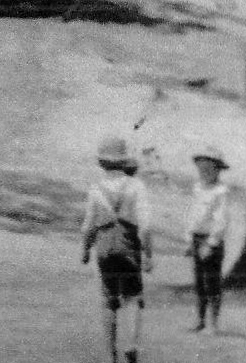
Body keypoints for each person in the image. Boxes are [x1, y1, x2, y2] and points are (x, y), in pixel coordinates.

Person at [80, 136, 153, 363]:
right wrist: (148, 254)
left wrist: (85, 250)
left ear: (102, 163)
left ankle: (110, 354)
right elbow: (146, 224)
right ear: (124, 162)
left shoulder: (96, 189)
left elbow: (88, 225)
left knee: (109, 299)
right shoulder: (136, 186)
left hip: (104, 245)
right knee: (132, 296)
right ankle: (131, 345)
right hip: (128, 244)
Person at [187, 143, 230, 333]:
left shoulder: (221, 191)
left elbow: (221, 220)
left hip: (211, 240)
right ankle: (201, 320)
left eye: (209, 169)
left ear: (218, 170)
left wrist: (211, 244)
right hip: (197, 238)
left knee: (212, 281)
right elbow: (192, 214)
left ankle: (213, 323)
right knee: (199, 282)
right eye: (201, 168)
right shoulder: (197, 188)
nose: (204, 172)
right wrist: (189, 239)